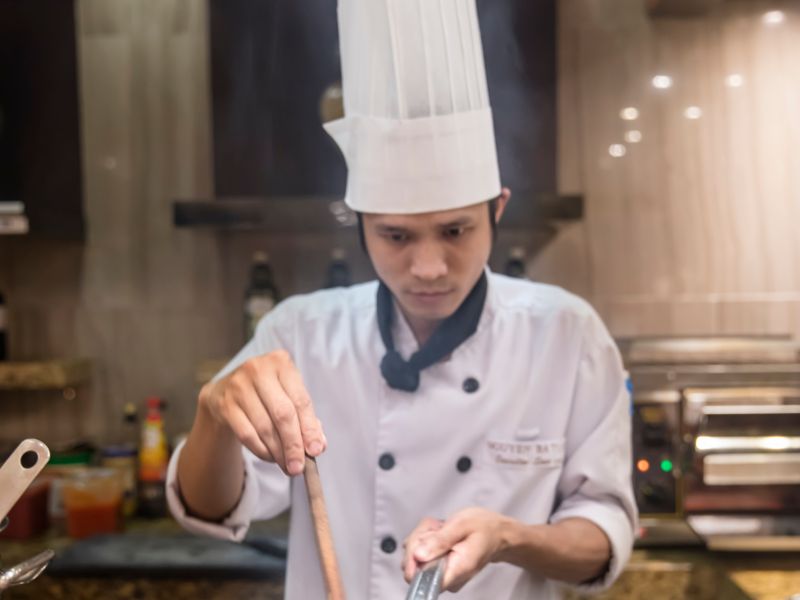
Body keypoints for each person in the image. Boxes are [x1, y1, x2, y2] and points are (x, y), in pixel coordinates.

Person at [167, 1, 637, 598]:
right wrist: (214, 417)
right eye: (396, 236)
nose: (428, 267)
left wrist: (509, 538)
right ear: (359, 223)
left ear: (497, 210)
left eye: (455, 231)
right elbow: (209, 509)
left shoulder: (565, 334)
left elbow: (603, 530)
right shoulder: (301, 335)